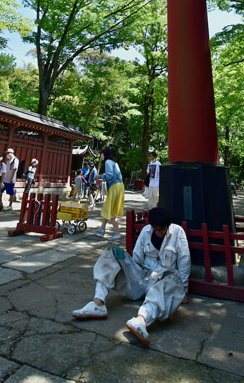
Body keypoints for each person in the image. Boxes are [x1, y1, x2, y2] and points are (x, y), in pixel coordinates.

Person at [72, 207, 191, 347]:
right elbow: (137, 259)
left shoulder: (177, 233)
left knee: (173, 280)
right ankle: (98, 303)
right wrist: (130, 272)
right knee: (111, 252)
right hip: (142, 279)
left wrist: (183, 290)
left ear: (168, 226)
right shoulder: (146, 232)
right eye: (156, 229)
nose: (158, 233)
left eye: (162, 230)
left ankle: (141, 320)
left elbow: (184, 261)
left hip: (163, 280)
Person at [93, 146, 124, 241]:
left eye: (101, 154)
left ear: (104, 154)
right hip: (119, 186)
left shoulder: (107, 162)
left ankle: (116, 233)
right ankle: (102, 229)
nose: (101, 156)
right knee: (108, 207)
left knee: (110, 209)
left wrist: (99, 176)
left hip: (114, 186)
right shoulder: (114, 162)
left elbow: (110, 176)